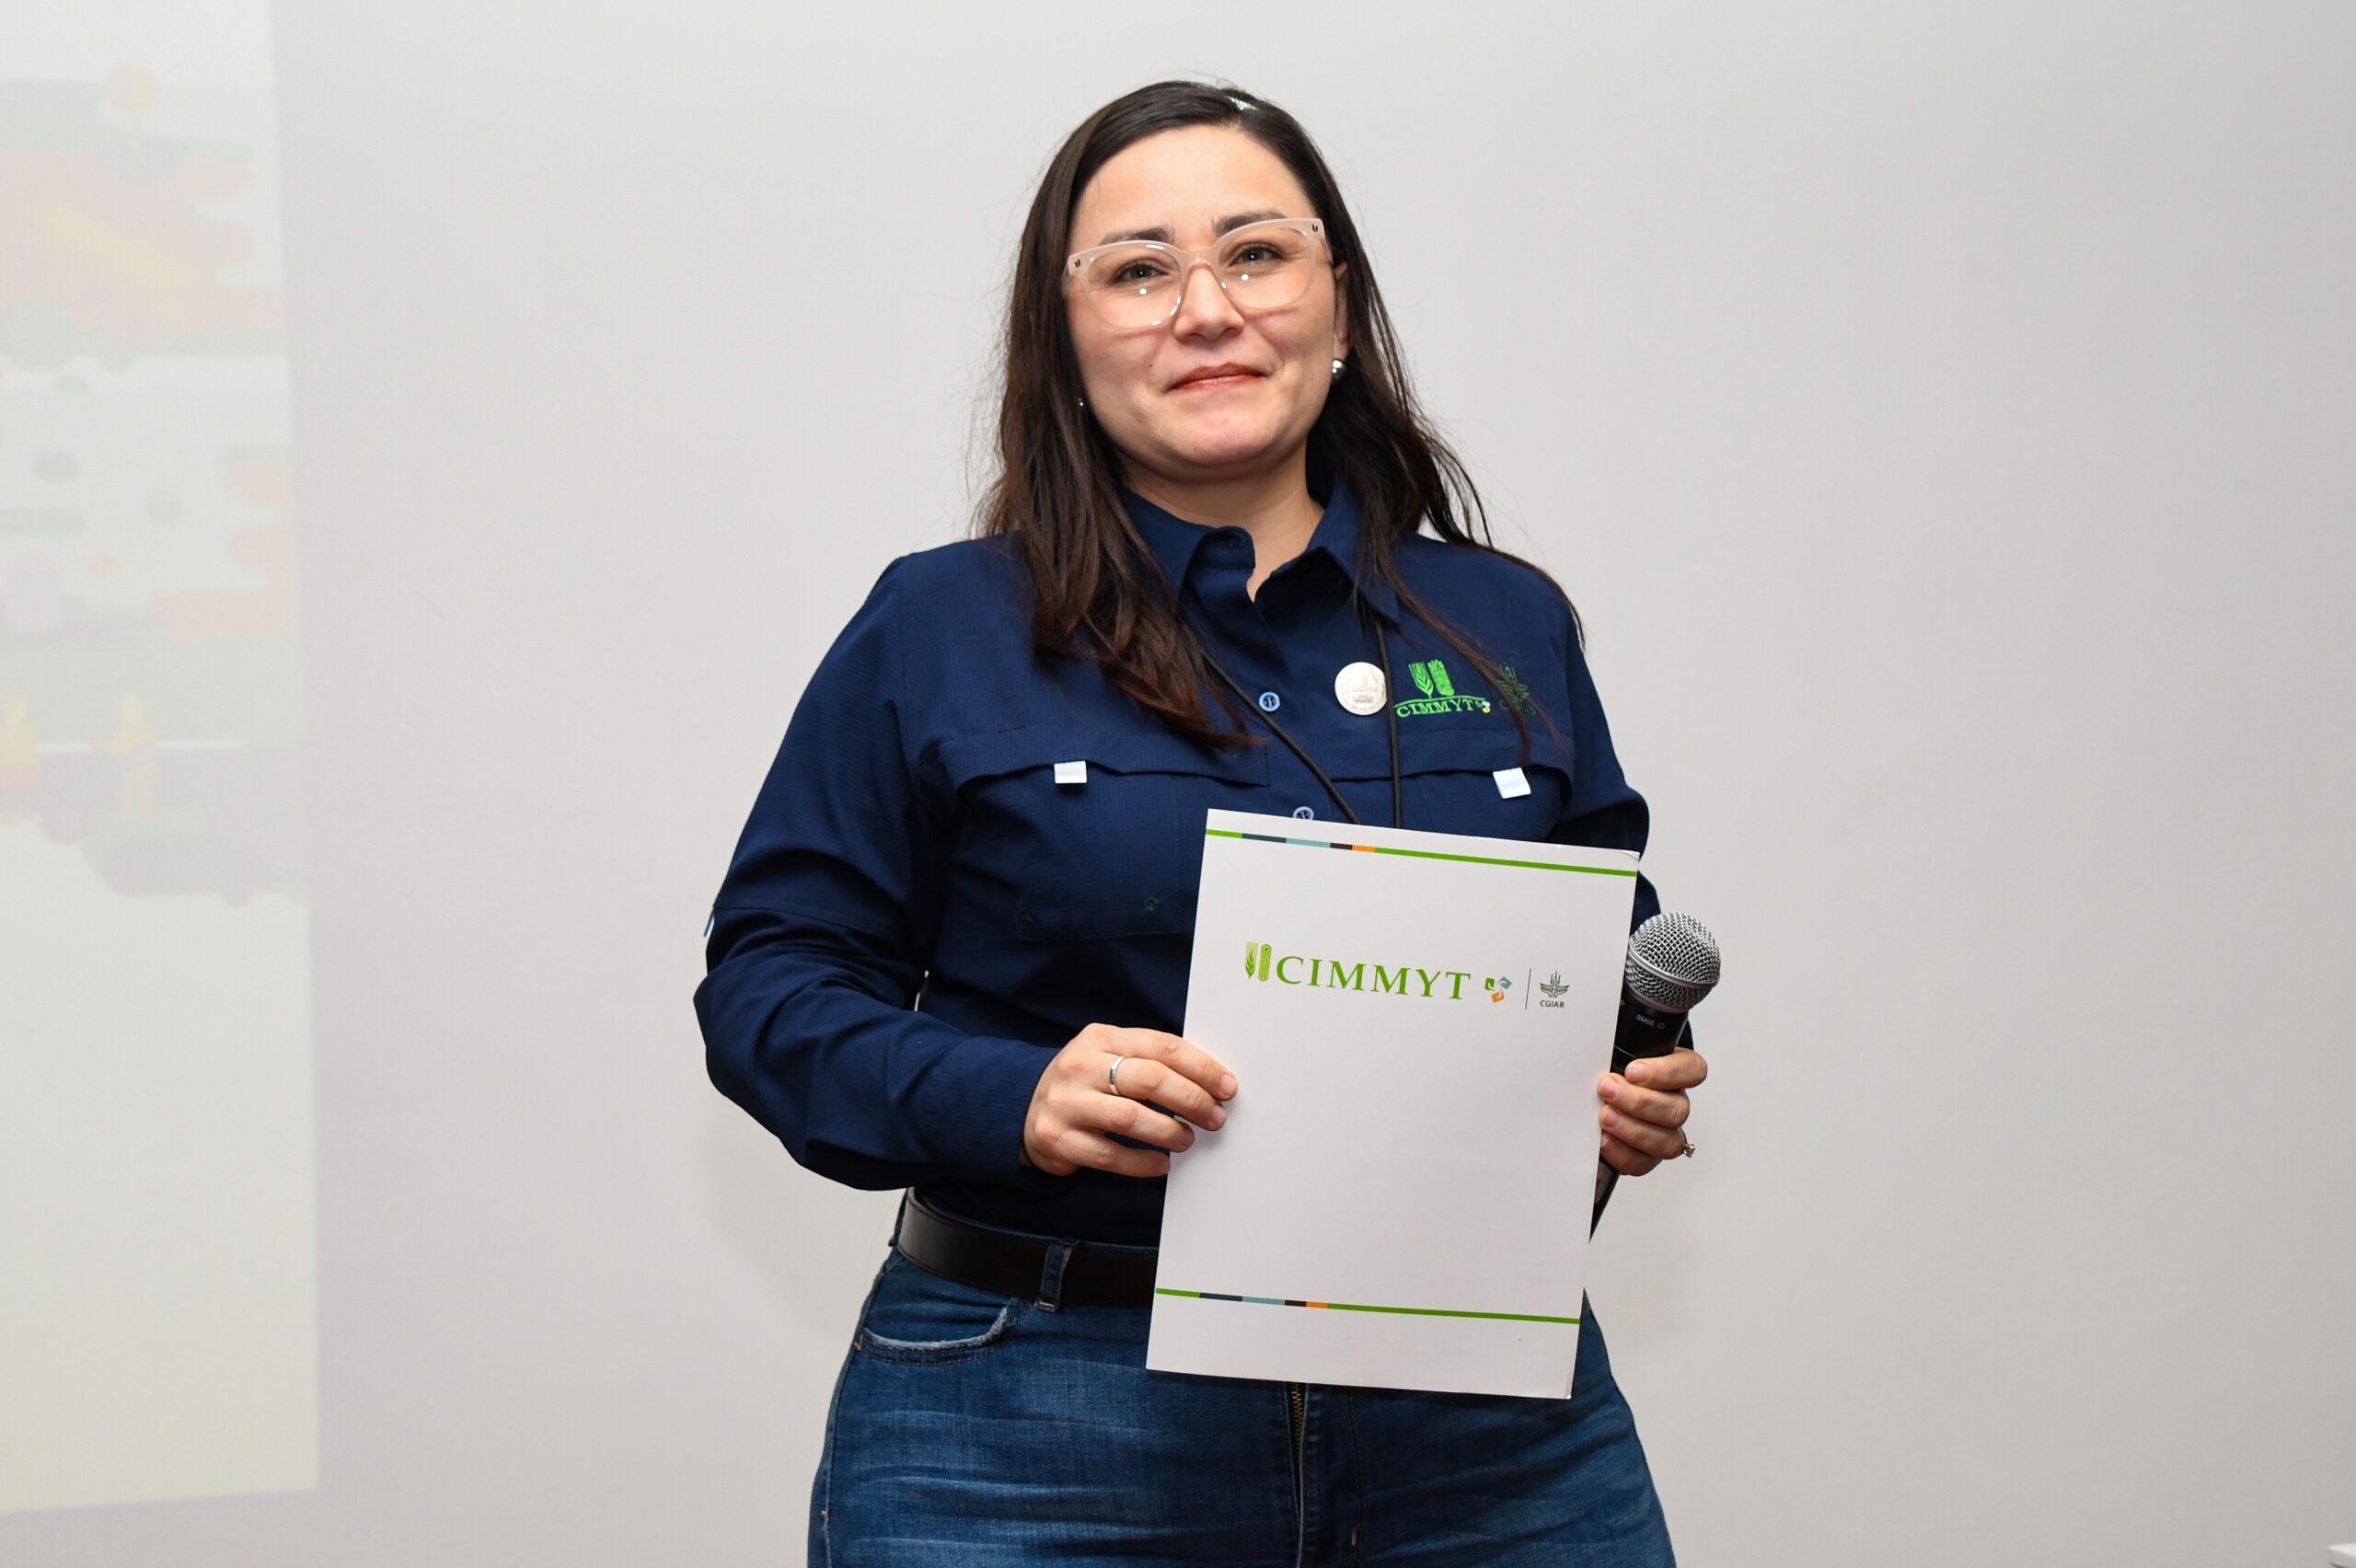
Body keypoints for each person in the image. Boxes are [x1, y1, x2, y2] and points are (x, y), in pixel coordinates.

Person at [697, 79, 1709, 1567]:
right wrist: (1013, 1092)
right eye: (1138, 269)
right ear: (1068, 337)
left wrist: (1624, 1087)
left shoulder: (1508, 622)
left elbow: (1594, 953)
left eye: (1255, 254)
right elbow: (769, 991)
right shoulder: (941, 625)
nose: (1206, 308)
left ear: (1340, 301)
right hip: (1036, 1423)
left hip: (1490, 1435)